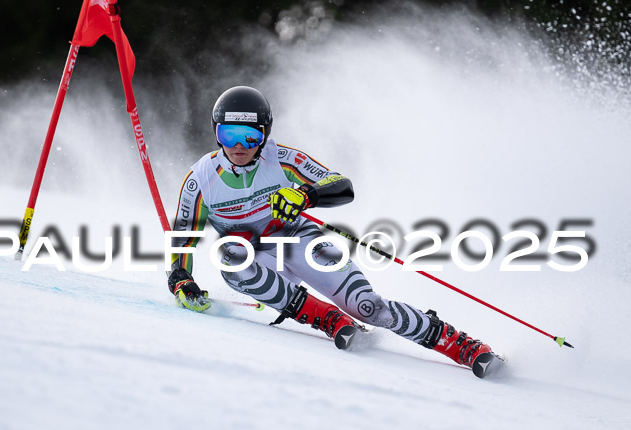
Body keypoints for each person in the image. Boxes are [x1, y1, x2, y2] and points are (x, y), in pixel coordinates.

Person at [167, 86, 498, 375]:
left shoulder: (281, 159)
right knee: (230, 255)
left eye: (250, 137)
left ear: (264, 135)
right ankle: (326, 318)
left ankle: (462, 346)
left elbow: (342, 185)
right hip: (256, 260)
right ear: (216, 133)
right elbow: (183, 239)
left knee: (368, 306)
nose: (239, 147)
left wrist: (305, 195)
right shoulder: (201, 180)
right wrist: (182, 279)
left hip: (299, 242)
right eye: (229, 136)